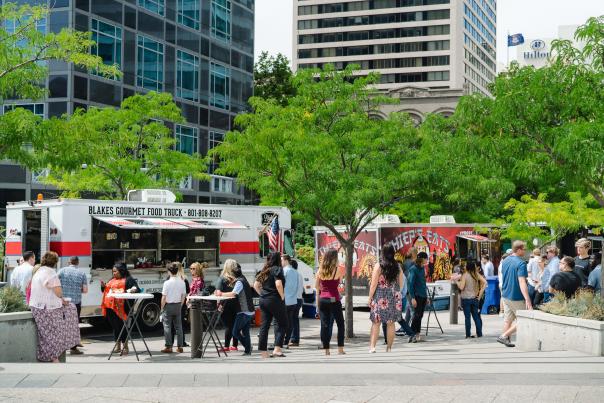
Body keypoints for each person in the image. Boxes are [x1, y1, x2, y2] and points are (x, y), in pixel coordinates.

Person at [29, 251, 80, 362]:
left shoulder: (39, 271)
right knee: (70, 310)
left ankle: (53, 354)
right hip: (47, 308)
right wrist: (63, 300)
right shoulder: (51, 273)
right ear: (55, 262)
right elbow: (58, 292)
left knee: (47, 333)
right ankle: (60, 351)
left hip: (36, 306)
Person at [497, 241, 532, 348]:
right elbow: (522, 282)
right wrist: (527, 299)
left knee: (508, 319)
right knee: (525, 319)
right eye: (524, 249)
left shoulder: (505, 260)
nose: (525, 251)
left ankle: (506, 339)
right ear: (519, 249)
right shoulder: (521, 263)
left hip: (505, 294)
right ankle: (504, 336)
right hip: (516, 296)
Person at [369, 245, 403, 353]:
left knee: (376, 322)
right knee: (391, 323)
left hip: (380, 296)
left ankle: (372, 347)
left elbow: (373, 284)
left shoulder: (379, 266)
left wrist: (370, 297)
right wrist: (396, 291)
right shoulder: (397, 266)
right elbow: (401, 283)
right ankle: (389, 348)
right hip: (393, 296)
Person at [101, 262, 140, 355]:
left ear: (121, 271)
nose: (114, 273)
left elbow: (137, 289)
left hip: (123, 307)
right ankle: (117, 346)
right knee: (115, 327)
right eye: (113, 271)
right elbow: (106, 290)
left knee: (123, 326)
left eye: (115, 271)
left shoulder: (129, 280)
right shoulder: (112, 279)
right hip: (111, 307)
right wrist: (103, 287)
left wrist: (133, 290)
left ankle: (125, 346)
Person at [216, 263, 255, 355]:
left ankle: (248, 346)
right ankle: (247, 351)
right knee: (245, 332)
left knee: (235, 332)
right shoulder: (244, 280)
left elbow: (233, 294)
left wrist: (221, 294)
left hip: (243, 311)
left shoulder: (239, 282)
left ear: (233, 275)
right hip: (249, 310)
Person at [254, 252, 288, 358]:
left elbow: (256, 285)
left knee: (264, 326)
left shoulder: (264, 270)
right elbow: (278, 284)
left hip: (263, 300)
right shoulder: (277, 269)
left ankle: (264, 352)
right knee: (283, 324)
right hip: (275, 299)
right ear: (278, 259)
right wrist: (282, 296)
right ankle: (277, 349)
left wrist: (262, 294)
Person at [315, 249, 345, 355]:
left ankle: (326, 350)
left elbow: (316, 286)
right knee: (340, 324)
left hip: (323, 299)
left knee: (325, 325)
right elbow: (339, 283)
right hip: (333, 299)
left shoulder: (320, 270)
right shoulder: (338, 270)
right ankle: (340, 349)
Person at [57, 256, 88, 355]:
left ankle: (61, 347)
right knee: (74, 325)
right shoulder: (82, 273)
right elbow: (85, 290)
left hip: (63, 302)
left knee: (62, 324)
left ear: (68, 262)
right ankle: (73, 348)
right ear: (77, 263)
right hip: (75, 303)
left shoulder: (61, 271)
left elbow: (55, 284)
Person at [454, 260, 487, 339]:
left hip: (466, 299)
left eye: (465, 265)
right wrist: (480, 294)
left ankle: (468, 335)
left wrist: (456, 281)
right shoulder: (476, 274)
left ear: (468, 267)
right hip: (475, 299)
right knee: (476, 317)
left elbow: (461, 287)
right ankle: (479, 334)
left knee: (467, 317)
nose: (464, 266)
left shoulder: (465, 275)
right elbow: (485, 282)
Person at [161, 262, 186, 353]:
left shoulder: (167, 283)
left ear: (169, 271)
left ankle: (168, 346)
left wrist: (161, 308)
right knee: (179, 327)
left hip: (168, 305)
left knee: (167, 326)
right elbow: (183, 295)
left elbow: (164, 297)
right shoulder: (182, 282)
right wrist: (181, 304)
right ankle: (180, 347)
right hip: (178, 305)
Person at [216, 260, 240, 352]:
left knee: (228, 326)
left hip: (225, 304)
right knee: (235, 325)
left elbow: (218, 292)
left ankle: (226, 346)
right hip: (237, 304)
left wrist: (218, 304)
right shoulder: (237, 278)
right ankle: (234, 345)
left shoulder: (222, 278)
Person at [408, 251, 429, 342]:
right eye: (426, 258)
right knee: (416, 316)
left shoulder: (422, 268)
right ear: (422, 259)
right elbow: (410, 284)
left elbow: (423, 283)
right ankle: (411, 335)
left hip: (423, 295)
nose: (427, 260)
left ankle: (417, 334)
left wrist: (426, 296)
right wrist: (412, 297)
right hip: (417, 295)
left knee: (420, 316)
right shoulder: (413, 269)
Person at [281, 254, 299, 348]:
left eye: (282, 260)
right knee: (290, 322)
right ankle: (287, 341)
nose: (281, 262)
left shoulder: (284, 271)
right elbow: (296, 286)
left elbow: (281, 285)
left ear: (286, 260)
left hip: (285, 300)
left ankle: (282, 341)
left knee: (283, 322)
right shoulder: (295, 272)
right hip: (293, 300)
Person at [288, 259, 304, 347]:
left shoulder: (293, 274)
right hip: (299, 298)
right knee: (295, 319)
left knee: (292, 320)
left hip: (294, 299)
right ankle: (294, 339)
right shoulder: (299, 274)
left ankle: (293, 339)